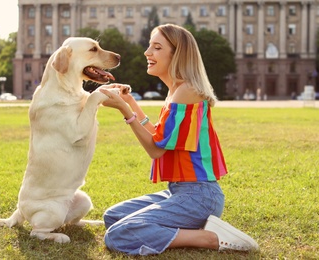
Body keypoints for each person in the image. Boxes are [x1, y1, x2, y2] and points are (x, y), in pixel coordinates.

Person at [98, 24, 259, 256]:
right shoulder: (176, 91)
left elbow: (155, 150)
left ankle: (209, 237)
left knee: (118, 234)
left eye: (157, 47)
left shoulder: (187, 91)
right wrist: (131, 103)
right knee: (113, 216)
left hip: (199, 196)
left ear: (177, 54)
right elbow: (160, 137)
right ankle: (186, 227)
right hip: (179, 192)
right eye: (149, 46)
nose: (147, 52)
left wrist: (124, 110)